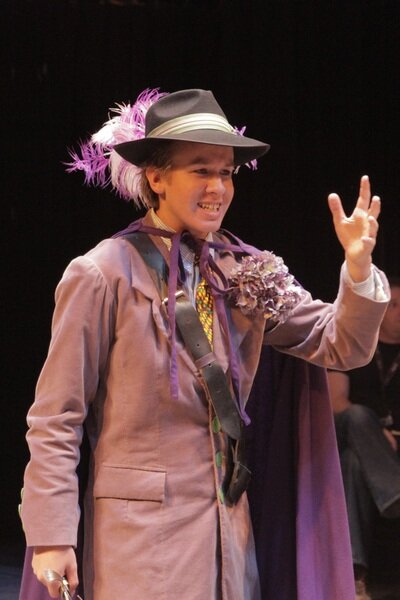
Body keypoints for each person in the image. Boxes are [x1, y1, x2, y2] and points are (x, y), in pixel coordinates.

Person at [19, 87, 390, 600]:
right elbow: (57, 417)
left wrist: (358, 270)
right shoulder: (103, 274)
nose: (218, 187)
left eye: (226, 173)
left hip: (228, 538)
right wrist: (51, 536)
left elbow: (340, 345)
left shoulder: (245, 270)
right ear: (155, 178)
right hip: (139, 540)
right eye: (201, 170)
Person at [327, 277, 400, 600]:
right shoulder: (356, 347)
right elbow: (336, 404)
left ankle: (354, 575)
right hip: (358, 431)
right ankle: (395, 493)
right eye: (393, 305)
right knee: (357, 416)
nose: (399, 312)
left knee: (353, 464)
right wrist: (375, 433)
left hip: (384, 451)